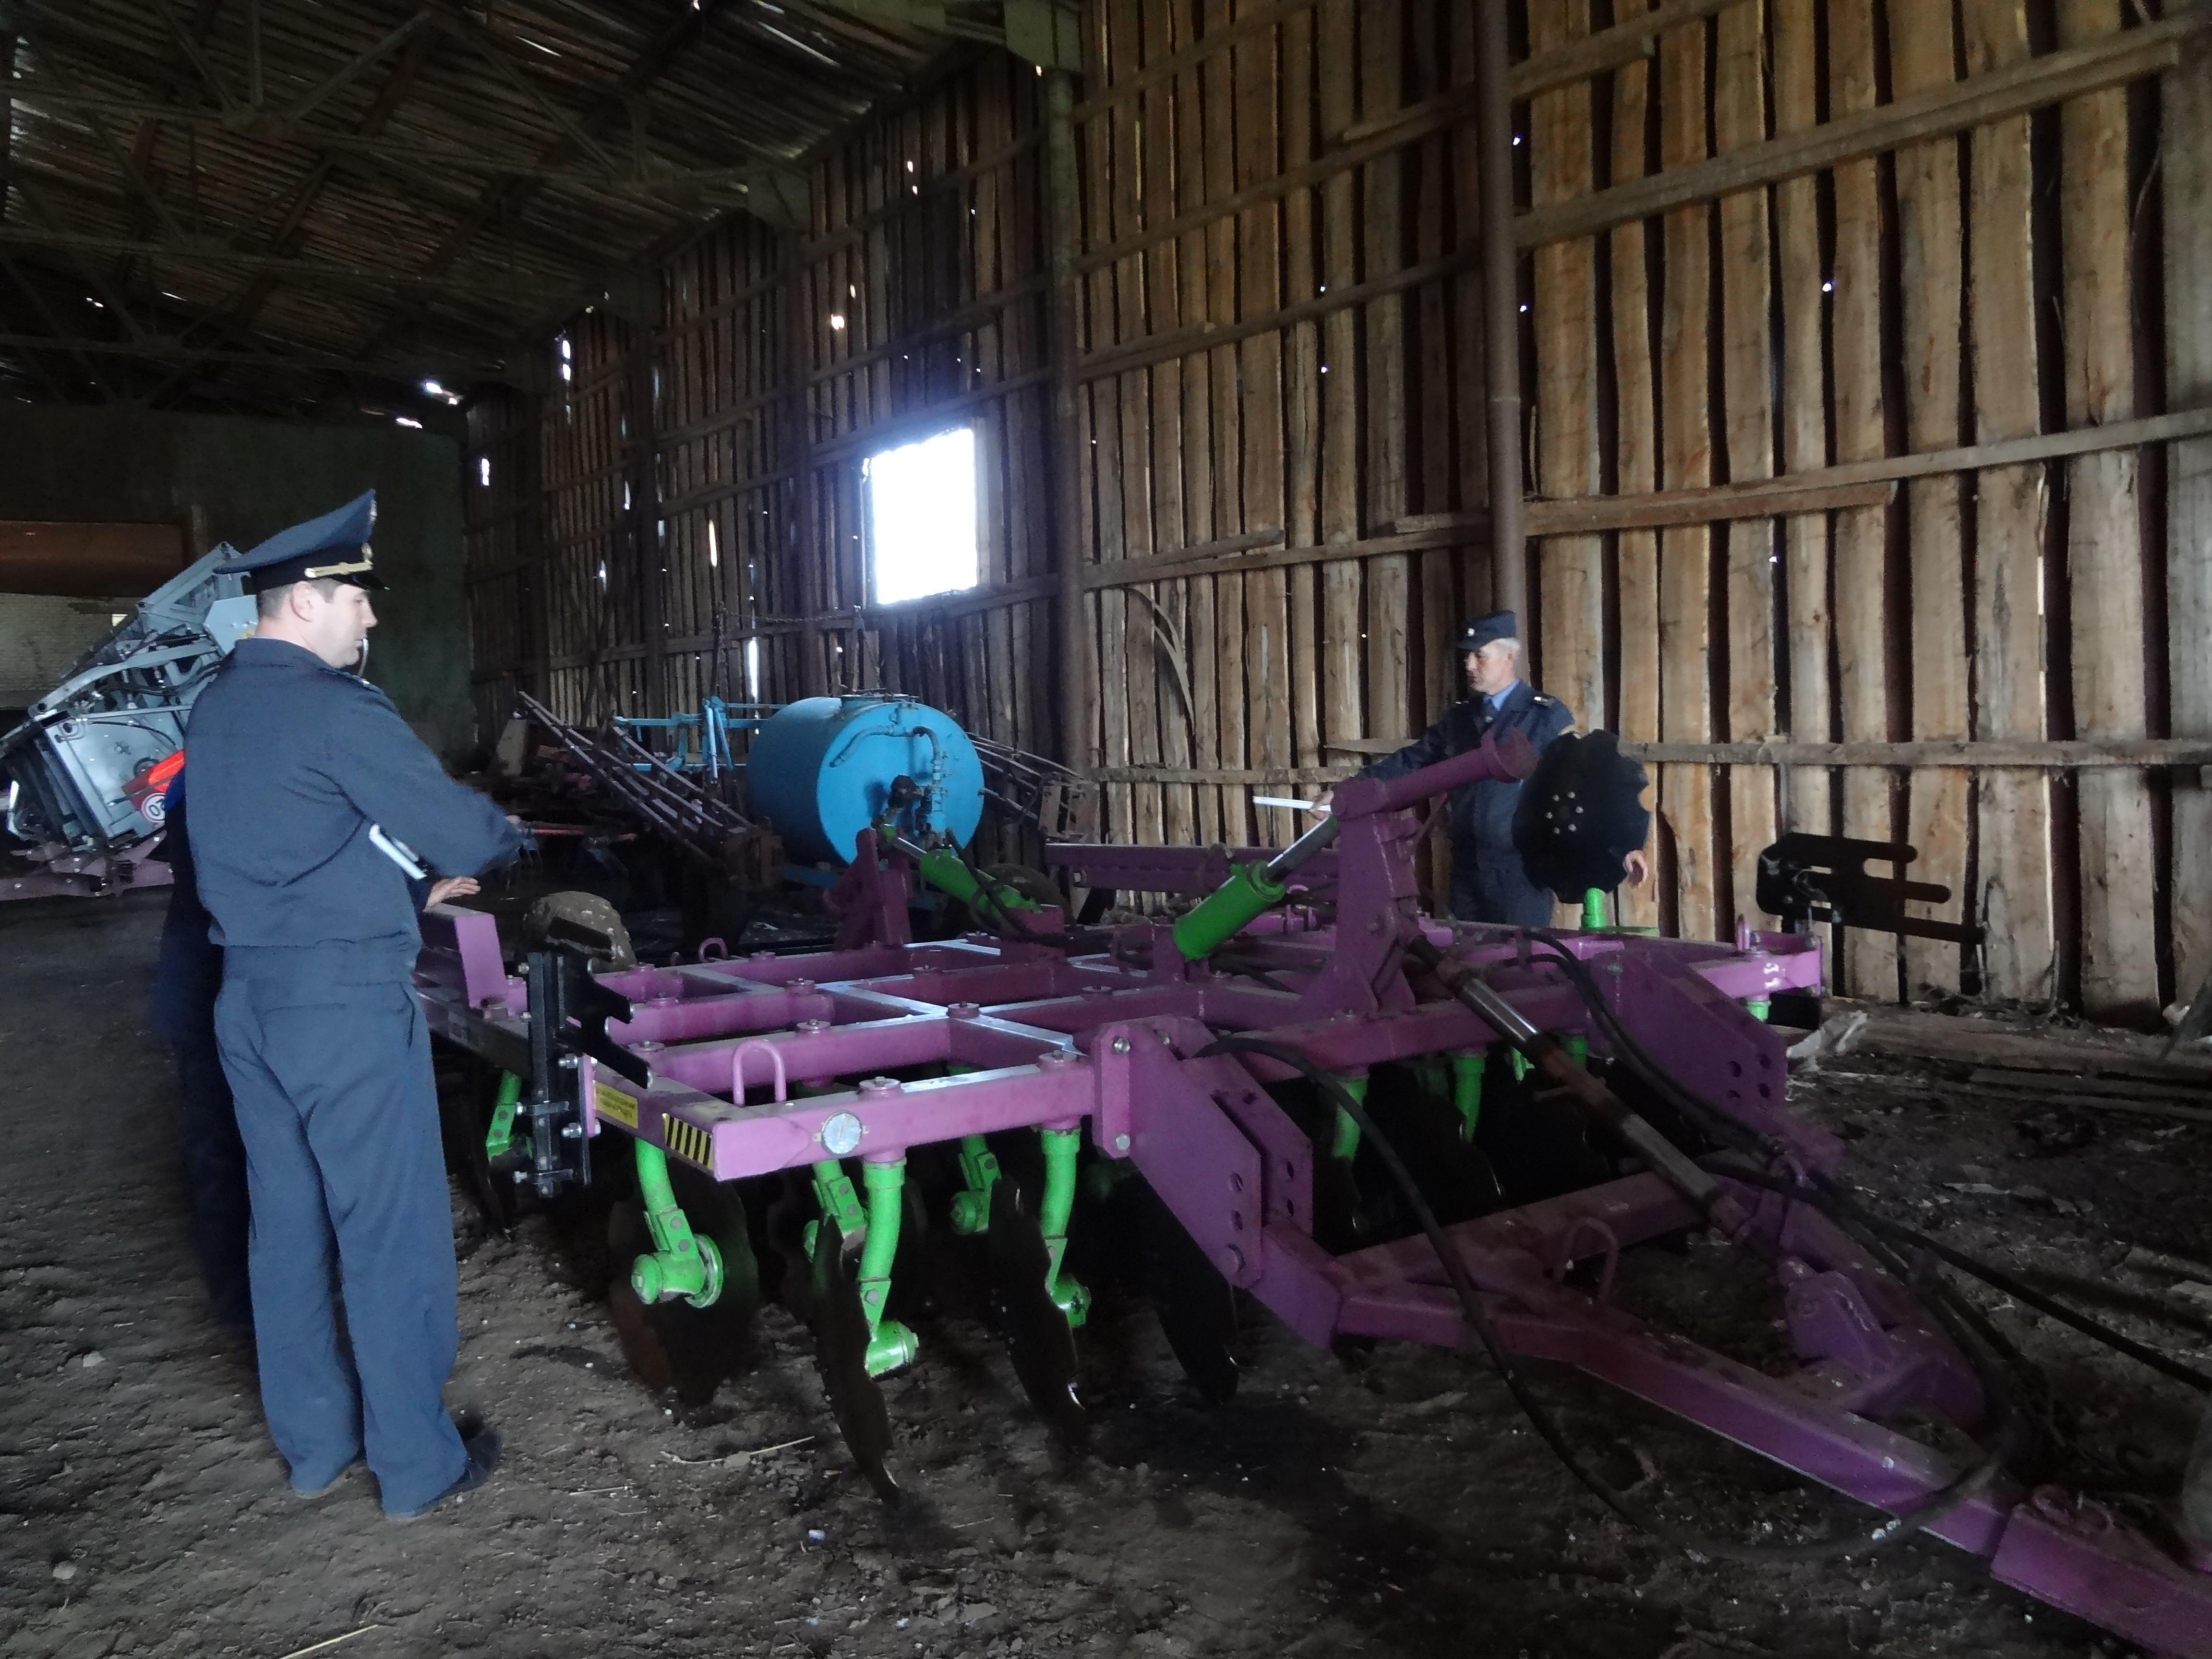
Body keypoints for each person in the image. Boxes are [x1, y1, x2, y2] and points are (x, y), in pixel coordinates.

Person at [184, 491, 525, 1520]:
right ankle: (419, 1469)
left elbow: (281, 848)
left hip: (249, 1003)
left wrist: (392, 888)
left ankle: (314, 1447)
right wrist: (506, 835)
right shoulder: (337, 710)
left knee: (284, 1228)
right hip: (341, 1010)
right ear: (301, 603)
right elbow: (461, 835)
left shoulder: (218, 707)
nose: (371, 620)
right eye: (357, 600)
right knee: (388, 1230)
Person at [1322, 611, 1648, 926]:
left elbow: (1586, 785)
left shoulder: (1545, 717)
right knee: (1465, 960)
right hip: (1466, 867)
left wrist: (1622, 846)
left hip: (1521, 871)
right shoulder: (1460, 719)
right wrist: (1348, 791)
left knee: (1520, 966)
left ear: (1509, 657)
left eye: (1480, 656)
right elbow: (1411, 761)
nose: (1469, 665)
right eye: (1468, 657)